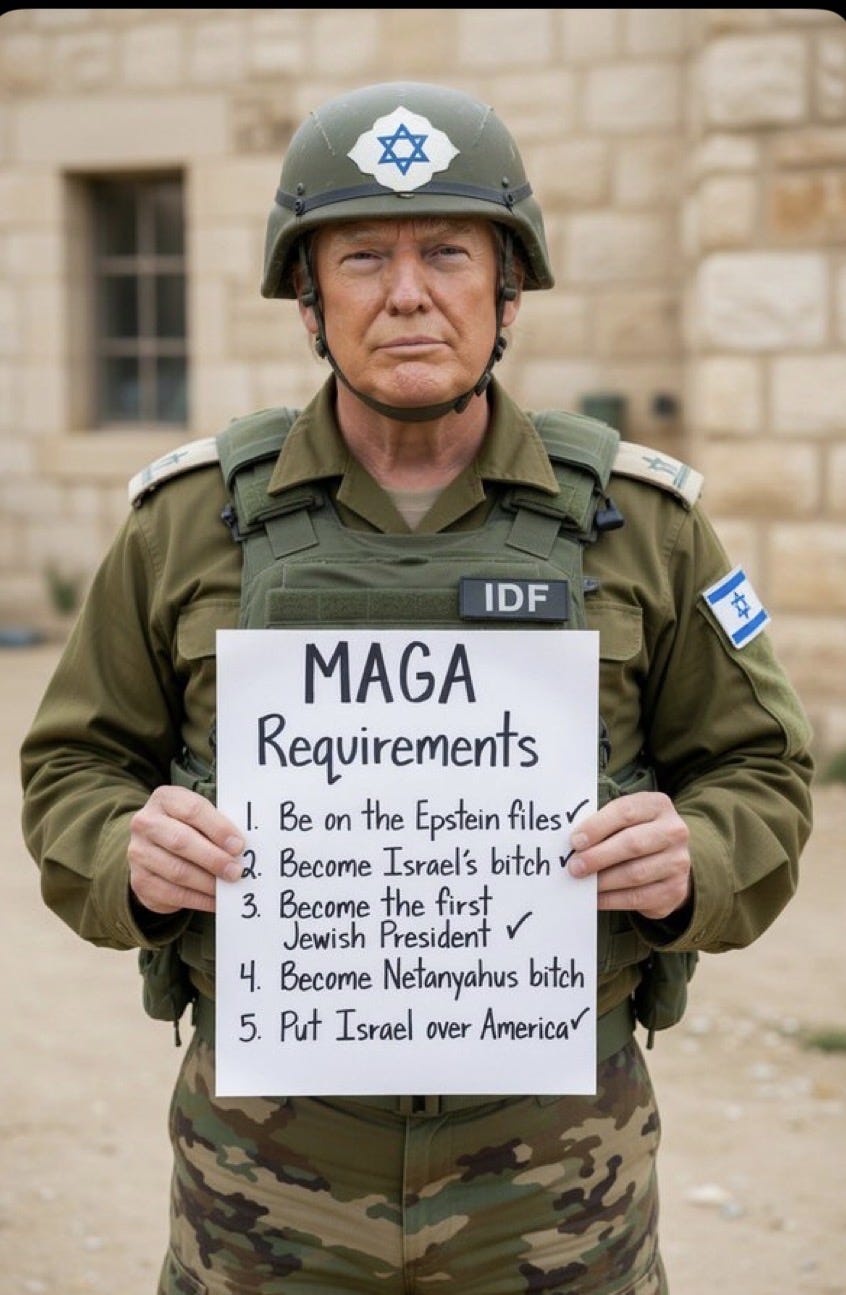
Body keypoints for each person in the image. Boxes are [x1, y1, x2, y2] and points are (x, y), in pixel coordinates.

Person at [20, 81, 814, 1295]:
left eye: (448, 250)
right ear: (307, 295)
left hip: (558, 1185)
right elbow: (69, 766)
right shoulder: (185, 525)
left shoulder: (645, 526)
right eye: (361, 256)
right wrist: (124, 848)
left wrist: (695, 854)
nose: (406, 291)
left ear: (506, 286)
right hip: (263, 1181)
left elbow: (764, 771)